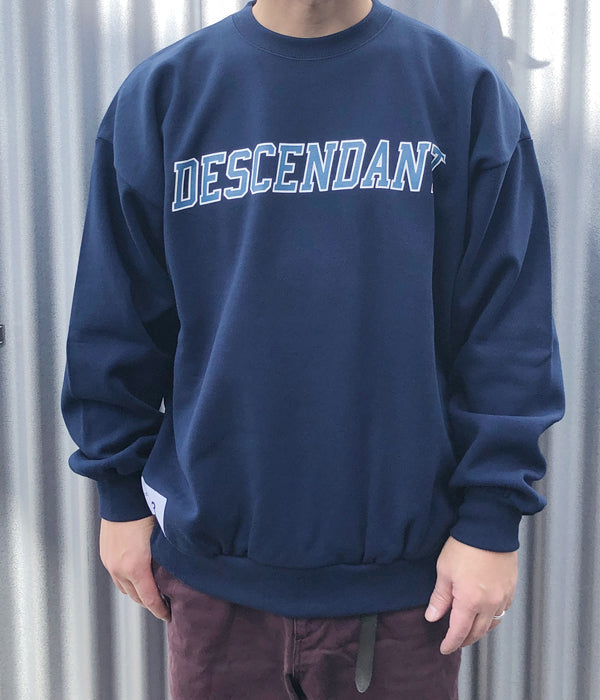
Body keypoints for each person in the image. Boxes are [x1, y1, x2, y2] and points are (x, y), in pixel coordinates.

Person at [61, 0, 565, 697]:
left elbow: (507, 331)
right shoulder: (166, 95)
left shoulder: (460, 93)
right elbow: (113, 318)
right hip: (216, 590)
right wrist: (119, 495)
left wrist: (490, 518)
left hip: (407, 595)